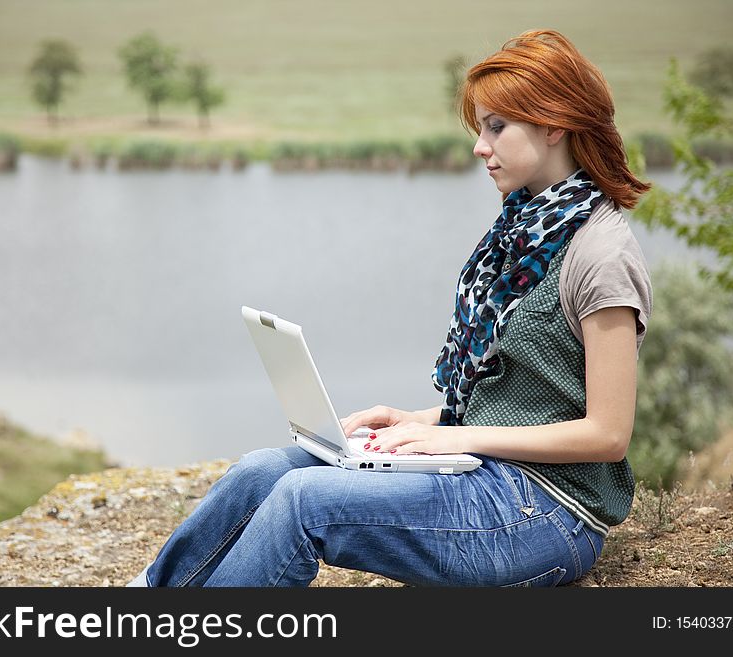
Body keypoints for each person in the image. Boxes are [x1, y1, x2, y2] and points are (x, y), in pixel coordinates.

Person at [128, 28, 653, 588]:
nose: (480, 146)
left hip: (547, 513)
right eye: (480, 129)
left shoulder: (601, 254)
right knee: (263, 471)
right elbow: (521, 398)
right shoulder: (524, 229)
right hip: (481, 471)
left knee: (305, 503)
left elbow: (606, 434)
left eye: (497, 127)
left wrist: (456, 437)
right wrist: (422, 421)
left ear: (554, 124)